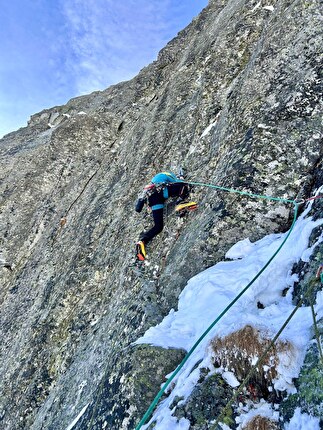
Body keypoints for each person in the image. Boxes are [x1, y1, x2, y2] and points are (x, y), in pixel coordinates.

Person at [135, 171, 196, 261]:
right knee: (184, 186)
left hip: (152, 199)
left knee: (158, 226)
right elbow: (178, 182)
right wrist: (181, 178)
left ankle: (143, 241)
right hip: (161, 192)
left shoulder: (155, 179)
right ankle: (180, 203)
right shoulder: (168, 175)